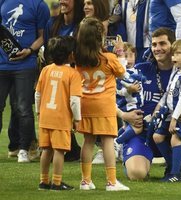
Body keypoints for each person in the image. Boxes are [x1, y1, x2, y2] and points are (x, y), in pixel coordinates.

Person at [75, 17, 129, 191]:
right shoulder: (108, 58)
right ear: (100, 38)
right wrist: (119, 53)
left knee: (88, 141)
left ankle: (85, 181)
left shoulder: (78, 58)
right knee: (107, 141)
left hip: (85, 104)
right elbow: (122, 73)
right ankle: (111, 182)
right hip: (104, 105)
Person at [117, 27, 177, 180]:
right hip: (142, 133)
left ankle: (180, 160)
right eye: (154, 44)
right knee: (137, 174)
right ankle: (130, 154)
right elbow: (110, 97)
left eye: (162, 44)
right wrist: (124, 115)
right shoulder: (140, 70)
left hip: (173, 133)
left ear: (173, 45)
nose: (157, 49)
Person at [0, 0, 50, 163]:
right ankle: (19, 147)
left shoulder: (39, 5)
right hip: (2, 63)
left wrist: (30, 50)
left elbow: (43, 36)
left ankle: (24, 149)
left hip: (25, 64)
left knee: (23, 108)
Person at [36, 36, 82, 190]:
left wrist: (38, 111)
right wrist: (77, 119)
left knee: (46, 150)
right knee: (59, 151)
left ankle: (43, 181)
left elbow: (38, 94)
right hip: (60, 118)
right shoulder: (73, 74)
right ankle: (56, 182)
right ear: (70, 54)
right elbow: (74, 100)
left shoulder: (46, 70)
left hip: (45, 116)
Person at [153, 39, 181, 182]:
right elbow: (168, 93)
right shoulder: (176, 73)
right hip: (169, 113)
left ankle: (176, 174)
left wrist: (174, 118)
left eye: (177, 54)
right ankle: (173, 166)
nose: (173, 57)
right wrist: (159, 107)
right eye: (173, 54)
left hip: (180, 115)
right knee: (157, 137)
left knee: (175, 139)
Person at [44, 0, 84, 162]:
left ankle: (102, 146)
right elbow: (48, 50)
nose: (61, 1)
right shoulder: (52, 24)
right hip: (58, 75)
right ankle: (69, 148)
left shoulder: (81, 26)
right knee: (61, 111)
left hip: (78, 74)